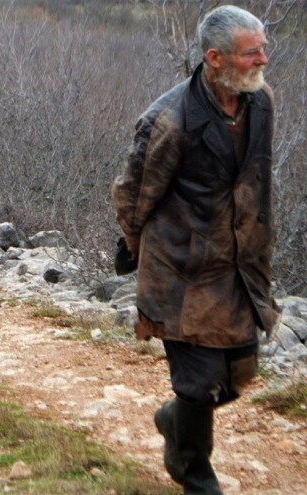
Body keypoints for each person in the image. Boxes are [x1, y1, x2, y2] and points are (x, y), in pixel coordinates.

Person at [111, 5, 278, 494]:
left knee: (240, 372)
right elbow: (133, 191)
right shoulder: (170, 119)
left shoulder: (261, 102)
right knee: (198, 383)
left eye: (263, 48)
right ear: (215, 58)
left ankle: (176, 419)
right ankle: (196, 478)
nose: (263, 60)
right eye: (252, 53)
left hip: (240, 264)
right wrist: (133, 246)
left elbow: (257, 178)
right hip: (181, 267)